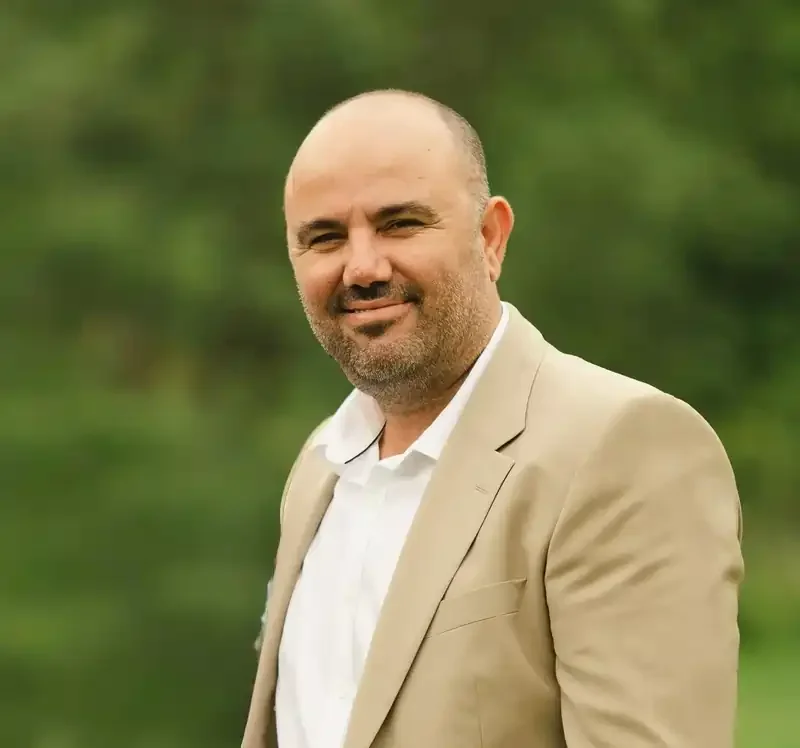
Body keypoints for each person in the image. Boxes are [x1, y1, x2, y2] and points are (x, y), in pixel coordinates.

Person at [241, 90, 744, 748]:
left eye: (400, 224)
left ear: (490, 238)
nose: (362, 268)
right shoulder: (319, 467)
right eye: (325, 237)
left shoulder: (622, 447)